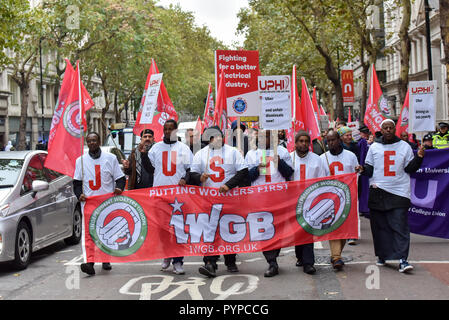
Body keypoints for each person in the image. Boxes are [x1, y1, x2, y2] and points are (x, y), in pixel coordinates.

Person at [358, 119, 425, 273]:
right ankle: (382, 255)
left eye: (390, 128)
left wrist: (419, 158)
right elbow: (369, 169)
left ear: (394, 129)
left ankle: (403, 259)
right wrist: (362, 169)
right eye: (385, 128)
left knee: (400, 226)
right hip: (378, 191)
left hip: (399, 191)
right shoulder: (374, 147)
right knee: (380, 226)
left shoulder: (404, 146)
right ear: (381, 130)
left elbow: (410, 168)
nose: (388, 130)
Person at [190, 126, 249, 278]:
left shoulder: (233, 152)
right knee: (210, 232)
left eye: (217, 136)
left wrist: (228, 185)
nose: (215, 139)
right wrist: (199, 177)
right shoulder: (201, 154)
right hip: (209, 200)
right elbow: (193, 173)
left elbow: (243, 171)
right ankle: (210, 263)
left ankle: (230, 260)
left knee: (229, 230)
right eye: (211, 137)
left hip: (229, 199)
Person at [73, 132, 126, 276]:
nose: (91, 143)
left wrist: (119, 188)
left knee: (106, 231)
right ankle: (89, 263)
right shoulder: (81, 161)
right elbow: (76, 183)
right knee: (89, 234)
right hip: (89, 203)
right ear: (86, 143)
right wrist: (79, 195)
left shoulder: (111, 158)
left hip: (106, 203)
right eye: (89, 141)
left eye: (94, 140)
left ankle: (105, 259)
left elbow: (120, 178)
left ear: (99, 141)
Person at [245, 129, 294, 277]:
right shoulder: (251, 154)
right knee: (263, 230)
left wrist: (279, 162)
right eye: (261, 136)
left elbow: (289, 173)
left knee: (277, 229)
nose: (264, 139)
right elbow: (247, 177)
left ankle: (273, 257)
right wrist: (257, 169)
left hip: (278, 197)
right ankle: (271, 261)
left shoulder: (282, 151)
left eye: (267, 136)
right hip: (260, 198)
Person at [148, 119, 194, 275]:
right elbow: (149, 168)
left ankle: (178, 261)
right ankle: (167, 255)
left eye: (171, 129)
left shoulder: (184, 149)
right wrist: (142, 154)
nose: (168, 132)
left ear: (175, 131)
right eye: (165, 129)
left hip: (178, 197)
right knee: (162, 229)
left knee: (178, 229)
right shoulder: (155, 148)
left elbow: (190, 170)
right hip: (160, 195)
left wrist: (184, 179)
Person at [320, 130, 359, 270]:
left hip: (348, 197)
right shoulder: (322, 158)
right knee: (333, 227)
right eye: (328, 141)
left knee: (344, 228)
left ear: (339, 140)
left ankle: (336, 254)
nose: (330, 143)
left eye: (333, 140)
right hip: (331, 199)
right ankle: (336, 257)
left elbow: (356, 175)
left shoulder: (351, 156)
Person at [291, 131, 327, 275]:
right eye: (301, 141)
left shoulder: (317, 159)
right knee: (296, 232)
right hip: (292, 202)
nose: (304, 144)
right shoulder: (289, 157)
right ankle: (300, 256)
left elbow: (322, 179)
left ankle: (308, 263)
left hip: (311, 202)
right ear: (295, 143)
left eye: (306, 141)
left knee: (307, 232)